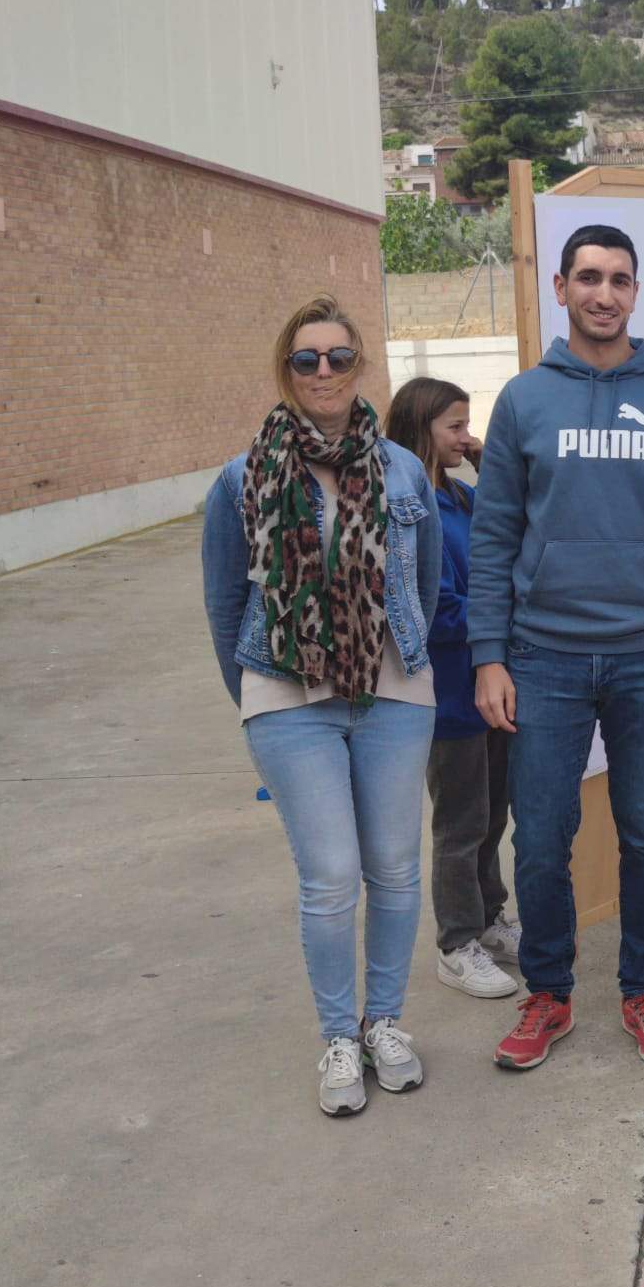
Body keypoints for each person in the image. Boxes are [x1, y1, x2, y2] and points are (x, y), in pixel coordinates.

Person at [468, 224, 644, 1071]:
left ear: (635, 292)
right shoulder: (524, 402)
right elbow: (495, 537)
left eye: (620, 280)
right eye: (589, 277)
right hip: (542, 656)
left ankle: (643, 992)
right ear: (561, 286)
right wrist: (489, 654)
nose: (604, 294)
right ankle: (549, 994)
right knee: (541, 836)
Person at [201, 295, 439, 1116]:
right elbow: (224, 602)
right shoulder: (242, 476)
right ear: (287, 370)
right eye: (308, 359)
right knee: (332, 878)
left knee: (398, 871)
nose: (325, 372)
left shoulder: (403, 470)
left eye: (338, 356)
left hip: (394, 693)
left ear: (359, 365)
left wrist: (393, 661)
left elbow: (425, 583)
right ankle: (339, 1035)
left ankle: (385, 1023)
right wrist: (261, 700)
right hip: (288, 699)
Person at [385, 377, 521, 1001]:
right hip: (448, 694)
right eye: (456, 428)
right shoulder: (408, 512)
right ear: (421, 431)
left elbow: (506, 523)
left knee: (494, 817)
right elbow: (429, 611)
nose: (466, 438)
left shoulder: (461, 500)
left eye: (469, 426)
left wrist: (486, 458)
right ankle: (456, 942)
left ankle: (491, 916)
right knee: (461, 824)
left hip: (491, 684)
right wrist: (500, 614)